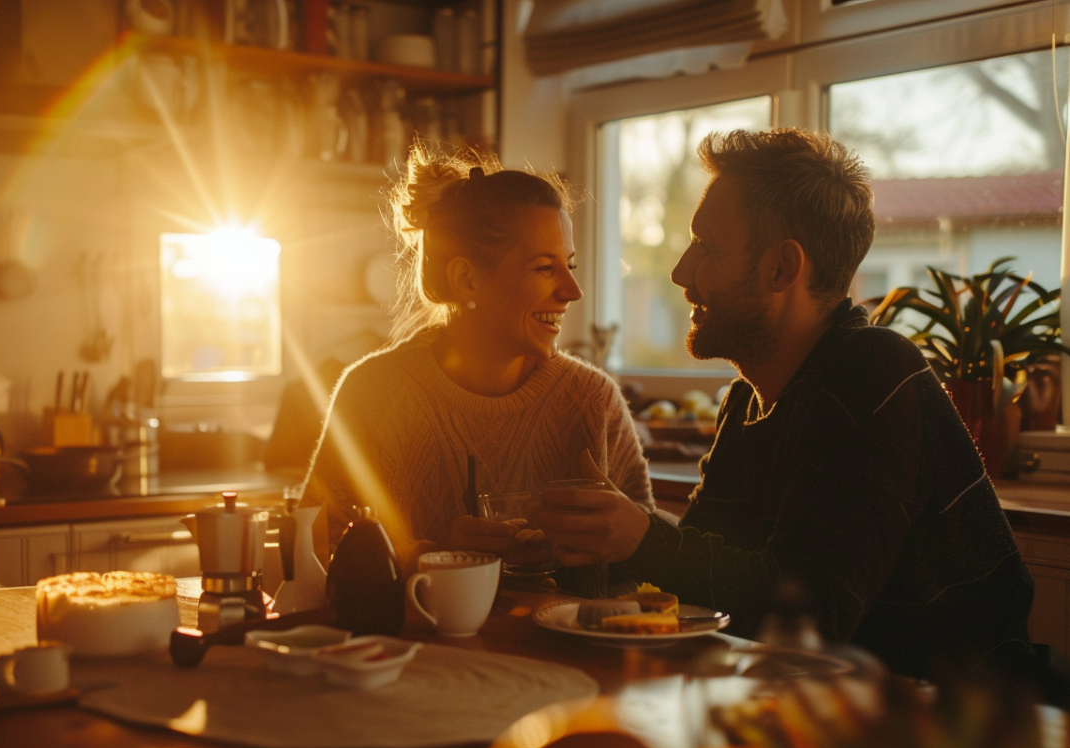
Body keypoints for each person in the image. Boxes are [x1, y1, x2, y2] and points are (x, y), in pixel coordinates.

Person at [537, 128, 1041, 685]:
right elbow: (702, 586)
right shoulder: (748, 400)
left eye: (706, 247)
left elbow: (813, 615)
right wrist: (584, 547)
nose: (681, 273)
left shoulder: (874, 372)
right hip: (824, 708)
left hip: (967, 731)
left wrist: (644, 537)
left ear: (781, 269)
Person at [301, 147, 653, 569]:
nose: (572, 291)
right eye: (544, 268)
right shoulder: (371, 394)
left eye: (570, 266)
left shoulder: (593, 401)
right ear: (467, 279)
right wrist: (436, 558)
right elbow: (315, 552)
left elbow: (650, 561)